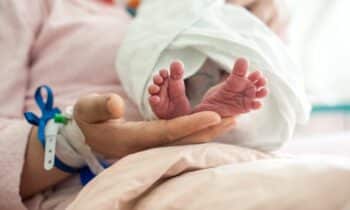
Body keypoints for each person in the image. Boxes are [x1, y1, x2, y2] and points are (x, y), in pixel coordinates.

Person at [0, 0, 289, 209]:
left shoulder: (208, 9)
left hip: (220, 165)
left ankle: (202, 99)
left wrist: (254, 28)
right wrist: (75, 140)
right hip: (96, 184)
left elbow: (278, 109)